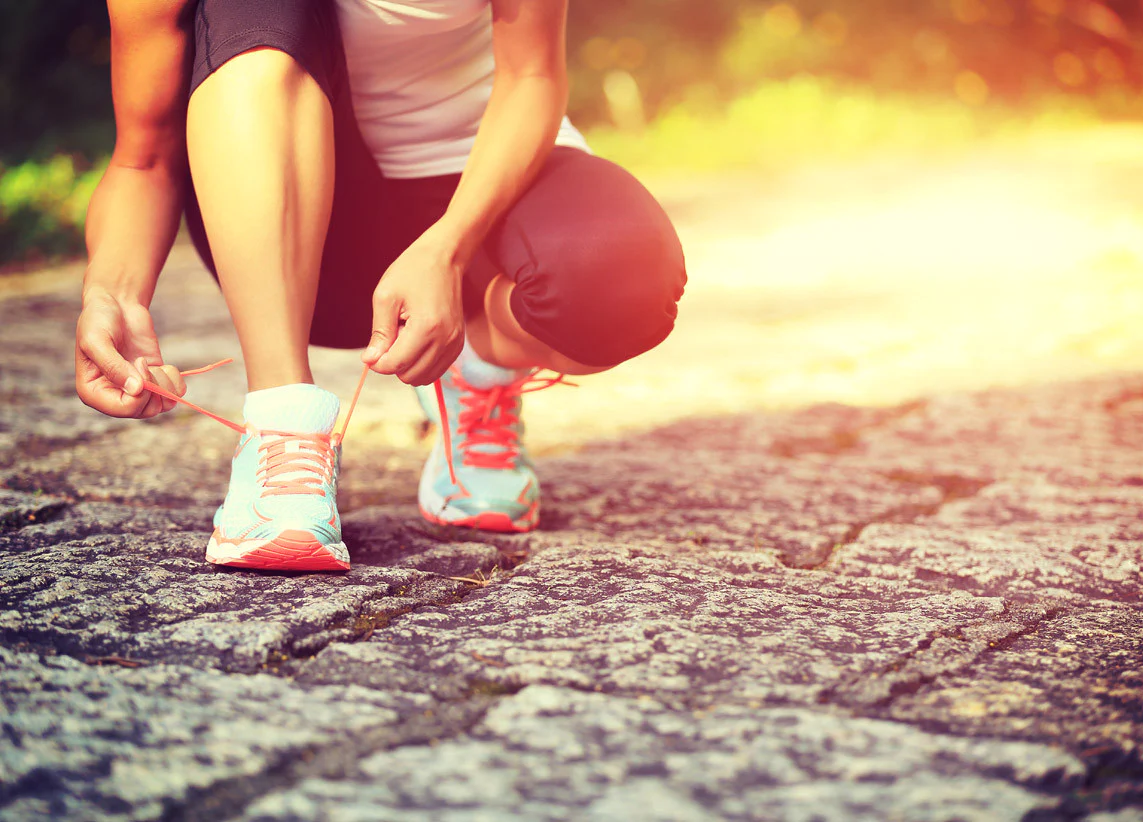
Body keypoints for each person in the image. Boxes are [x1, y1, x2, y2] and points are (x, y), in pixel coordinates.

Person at [75, 0, 686, 573]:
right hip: (307, 225)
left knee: (622, 279)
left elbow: (533, 76)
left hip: (478, 187)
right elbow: (144, 157)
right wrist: (113, 292)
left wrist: (449, 247)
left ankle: (479, 365)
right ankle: (284, 425)